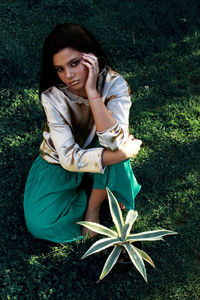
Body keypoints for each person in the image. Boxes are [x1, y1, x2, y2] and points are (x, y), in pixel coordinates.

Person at [23, 23, 142, 243]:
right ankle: (104, 186)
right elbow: (68, 157)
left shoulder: (115, 84)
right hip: (60, 159)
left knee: (114, 144)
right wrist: (121, 156)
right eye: (60, 69)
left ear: (91, 58)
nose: (68, 75)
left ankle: (93, 208)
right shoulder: (53, 96)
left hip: (102, 149)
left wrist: (92, 92)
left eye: (75, 63)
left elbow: (115, 140)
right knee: (40, 224)